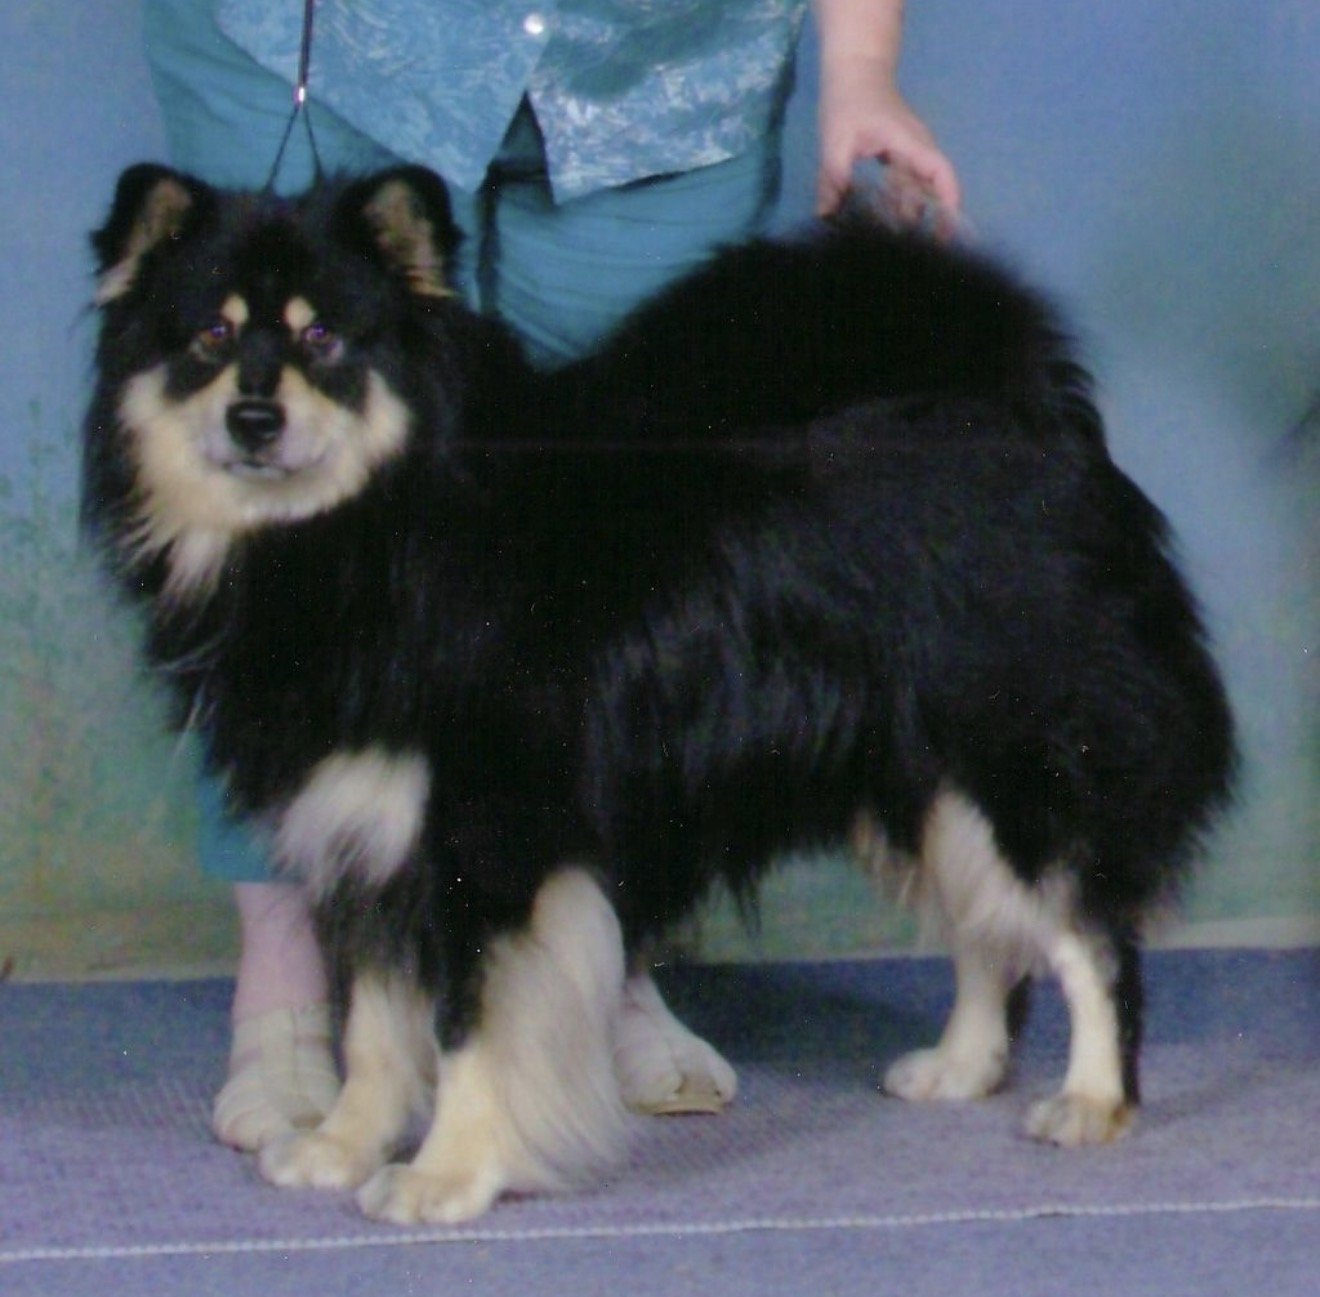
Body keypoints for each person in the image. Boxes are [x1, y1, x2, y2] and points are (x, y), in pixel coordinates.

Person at [142, 0, 962, 1151]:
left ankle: (604, 951)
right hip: (332, 47)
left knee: (630, 556)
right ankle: (288, 971)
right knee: (276, 542)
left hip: (660, 71)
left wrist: (863, 68)